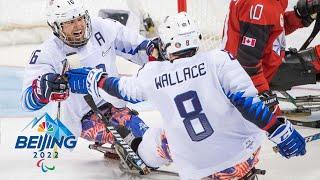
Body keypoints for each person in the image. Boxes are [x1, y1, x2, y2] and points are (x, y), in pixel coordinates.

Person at [66, 12, 306, 179]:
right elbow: (248, 104)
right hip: (243, 160)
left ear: (167, 44)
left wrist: (93, 79)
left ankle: (141, 155)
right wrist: (279, 131)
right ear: (197, 38)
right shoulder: (219, 60)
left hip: (198, 169)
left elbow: (122, 90)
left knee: (158, 138)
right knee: (246, 102)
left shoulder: (154, 72)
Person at [21, 0, 155, 148]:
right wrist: (41, 91)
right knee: (132, 137)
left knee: (143, 135)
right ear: (56, 26)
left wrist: (155, 50)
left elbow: (139, 47)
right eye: (70, 22)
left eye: (80, 18)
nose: (78, 25)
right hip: (80, 118)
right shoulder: (47, 53)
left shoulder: (103, 27)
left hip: (113, 105)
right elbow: (27, 102)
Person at [221, 0, 320, 113]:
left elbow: (273, 29)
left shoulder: (272, 4)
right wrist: (266, 99)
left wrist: (298, 16)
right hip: (246, 87)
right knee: (278, 127)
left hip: (262, 74)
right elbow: (247, 64)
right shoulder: (260, 5)